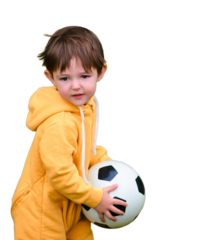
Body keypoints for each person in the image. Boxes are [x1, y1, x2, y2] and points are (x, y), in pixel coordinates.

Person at [10, 24, 128, 239]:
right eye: (65, 78)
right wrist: (95, 198)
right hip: (41, 210)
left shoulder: (86, 107)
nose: (75, 86)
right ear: (51, 77)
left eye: (84, 76)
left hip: (72, 203)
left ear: (101, 72)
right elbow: (61, 175)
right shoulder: (60, 123)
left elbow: (86, 148)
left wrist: (109, 163)